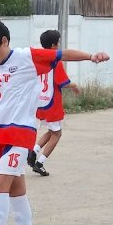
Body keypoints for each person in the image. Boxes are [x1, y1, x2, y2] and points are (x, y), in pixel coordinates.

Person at [0, 18, 109, 225]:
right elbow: (5, 91)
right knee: (15, 190)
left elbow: (61, 54)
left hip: (21, 132)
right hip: (0, 129)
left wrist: (90, 56)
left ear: (4, 42)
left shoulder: (26, 57)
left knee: (0, 183)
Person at [27, 29, 81, 177]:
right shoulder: (55, 61)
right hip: (52, 102)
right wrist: (74, 86)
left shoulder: (37, 59)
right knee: (57, 134)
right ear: (53, 45)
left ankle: (34, 151)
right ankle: (40, 162)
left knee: (51, 131)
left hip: (40, 102)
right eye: (58, 42)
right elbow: (62, 82)